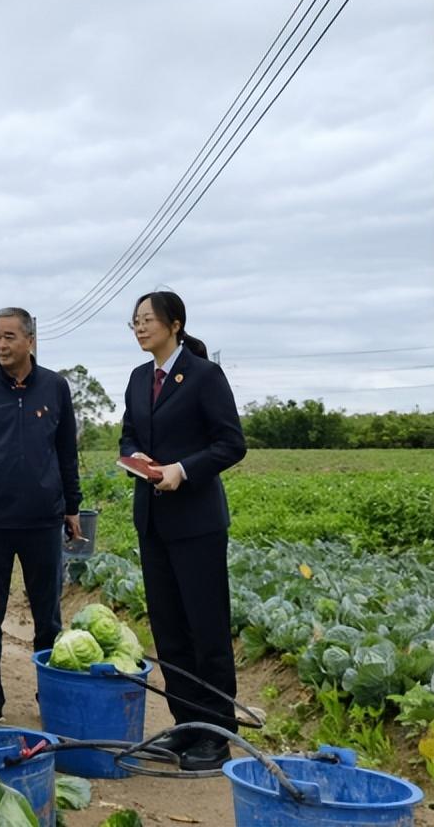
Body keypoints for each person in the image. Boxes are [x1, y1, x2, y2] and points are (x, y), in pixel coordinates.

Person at [120, 290, 246, 771]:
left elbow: (231, 444)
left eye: (147, 319)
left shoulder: (204, 375)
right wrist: (138, 458)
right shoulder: (137, 379)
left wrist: (183, 469)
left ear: (175, 324)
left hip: (197, 523)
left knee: (205, 628)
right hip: (152, 520)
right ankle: (184, 725)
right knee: (169, 630)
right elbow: (129, 432)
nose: (139, 327)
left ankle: (216, 734)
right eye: (134, 321)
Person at [0, 307, 82, 725]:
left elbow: (66, 453)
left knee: (48, 617)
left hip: (43, 521)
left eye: (8, 337)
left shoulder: (55, 388)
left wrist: (73, 507)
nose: (1, 345)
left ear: (30, 340)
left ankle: (52, 694)